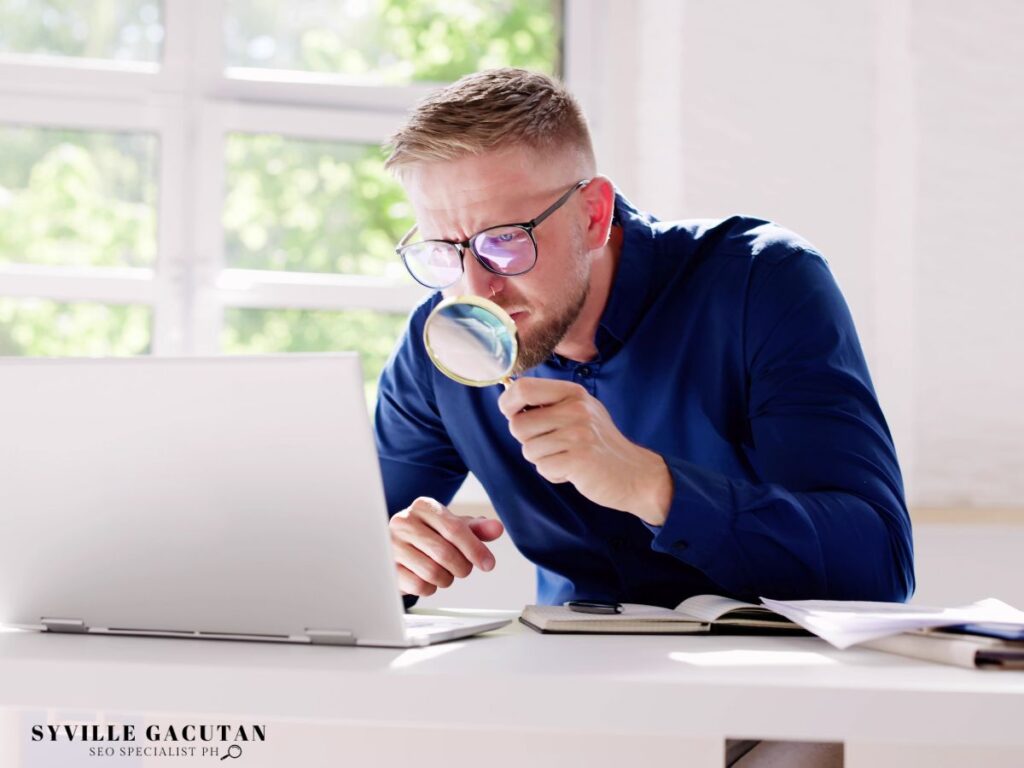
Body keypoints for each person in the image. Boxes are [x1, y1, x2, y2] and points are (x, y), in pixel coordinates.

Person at [375, 67, 914, 612]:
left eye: (507, 242)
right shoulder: (439, 346)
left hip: (762, 682)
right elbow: (343, 563)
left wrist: (652, 486)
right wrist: (393, 560)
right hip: (563, 681)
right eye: (445, 250)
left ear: (593, 214)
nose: (476, 289)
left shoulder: (762, 284)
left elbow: (880, 567)